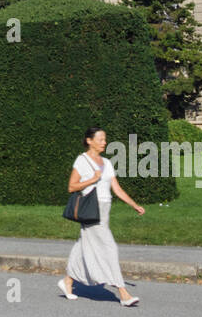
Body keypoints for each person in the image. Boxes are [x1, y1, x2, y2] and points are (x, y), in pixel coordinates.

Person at [59, 127, 144, 306]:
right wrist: (93, 179)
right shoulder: (82, 161)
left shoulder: (106, 162)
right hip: (91, 211)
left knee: (83, 247)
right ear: (89, 140)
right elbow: (72, 187)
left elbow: (117, 188)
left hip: (104, 210)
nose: (104, 142)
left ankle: (68, 281)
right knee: (109, 248)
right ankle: (123, 292)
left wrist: (134, 204)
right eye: (100, 139)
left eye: (105, 139)